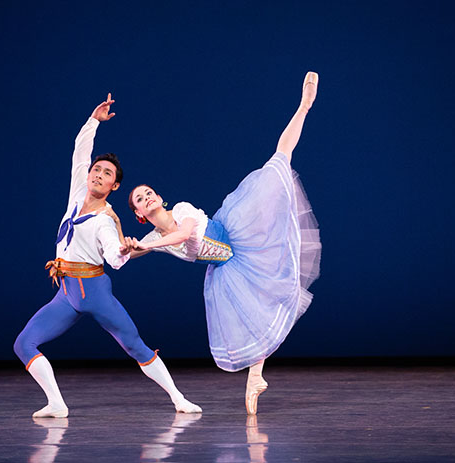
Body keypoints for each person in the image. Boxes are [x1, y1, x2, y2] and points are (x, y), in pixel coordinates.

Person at [125, 73, 322, 415]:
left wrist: (145, 248)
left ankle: (303, 107)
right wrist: (123, 244)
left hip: (240, 235)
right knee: (254, 320)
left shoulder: (181, 210)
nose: (147, 196)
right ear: (140, 214)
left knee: (278, 162)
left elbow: (185, 235)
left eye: (148, 191)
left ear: (158, 197)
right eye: (140, 199)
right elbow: (120, 257)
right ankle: (255, 378)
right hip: (225, 270)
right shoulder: (151, 238)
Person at [13, 94, 202, 418]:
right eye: (97, 170)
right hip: (67, 294)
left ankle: (178, 398)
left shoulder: (106, 220)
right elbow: (79, 153)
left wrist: (127, 248)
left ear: (114, 186)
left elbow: (115, 259)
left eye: (107, 174)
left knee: (135, 346)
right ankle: (57, 404)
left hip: (95, 291)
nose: (99, 175)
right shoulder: (76, 195)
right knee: (23, 344)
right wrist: (93, 121)